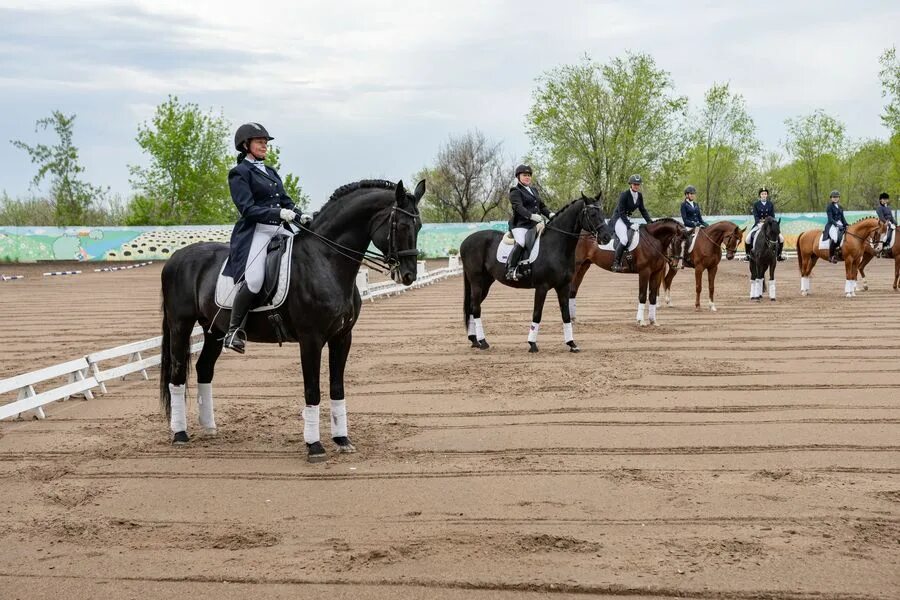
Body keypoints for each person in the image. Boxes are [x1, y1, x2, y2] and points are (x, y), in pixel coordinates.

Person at [222, 122, 312, 353]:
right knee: (253, 279)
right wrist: (278, 213)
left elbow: (285, 200)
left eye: (265, 142)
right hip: (257, 231)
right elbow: (247, 209)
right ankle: (234, 331)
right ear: (246, 145)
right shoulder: (239, 173)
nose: (264, 146)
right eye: (260, 142)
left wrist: (300, 216)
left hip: (280, 229)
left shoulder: (270, 171)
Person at [506, 164, 553, 281]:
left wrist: (550, 214)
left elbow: (541, 206)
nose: (527, 177)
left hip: (535, 225)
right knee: (521, 242)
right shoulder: (515, 191)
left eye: (529, 175)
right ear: (518, 177)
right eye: (524, 175)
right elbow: (518, 207)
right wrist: (531, 216)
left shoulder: (534, 190)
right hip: (521, 225)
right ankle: (511, 269)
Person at [611, 174, 653, 272]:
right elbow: (621, 212)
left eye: (638, 184)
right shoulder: (624, 195)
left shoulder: (639, 196)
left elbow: (643, 210)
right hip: (619, 219)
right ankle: (616, 264)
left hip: (627, 219)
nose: (636, 186)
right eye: (634, 184)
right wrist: (629, 225)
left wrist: (650, 222)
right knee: (624, 239)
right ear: (631, 184)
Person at [744, 188, 785, 261]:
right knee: (747, 239)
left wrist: (772, 223)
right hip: (759, 223)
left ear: (767, 195)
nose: (764, 195)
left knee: (781, 238)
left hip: (769, 224)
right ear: (760, 195)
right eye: (762, 194)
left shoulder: (770, 204)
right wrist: (758, 223)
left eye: (765, 194)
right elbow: (755, 215)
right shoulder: (756, 204)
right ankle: (748, 255)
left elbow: (772, 215)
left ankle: (779, 255)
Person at [679, 185, 707, 268]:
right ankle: (683, 259)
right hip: (688, 227)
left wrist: (705, 224)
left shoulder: (696, 204)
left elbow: (700, 218)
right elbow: (685, 220)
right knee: (685, 241)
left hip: (698, 226)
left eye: (693, 194)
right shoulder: (683, 205)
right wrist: (694, 224)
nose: (692, 195)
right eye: (690, 194)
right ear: (686, 195)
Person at [824, 190, 848, 263]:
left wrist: (846, 224)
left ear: (839, 198)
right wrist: (837, 225)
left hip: (840, 224)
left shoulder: (840, 206)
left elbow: (842, 217)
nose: (835, 198)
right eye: (834, 197)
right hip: (832, 225)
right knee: (835, 238)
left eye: (836, 197)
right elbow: (830, 219)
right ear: (831, 198)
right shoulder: (829, 207)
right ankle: (831, 256)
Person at [876, 192, 896, 256]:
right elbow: (881, 217)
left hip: (889, 222)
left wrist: (895, 222)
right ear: (880, 200)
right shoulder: (879, 208)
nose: (885, 200)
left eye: (886, 199)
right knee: (889, 228)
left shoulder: (888, 208)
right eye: (884, 199)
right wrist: (889, 224)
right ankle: (885, 245)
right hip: (883, 223)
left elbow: (891, 217)